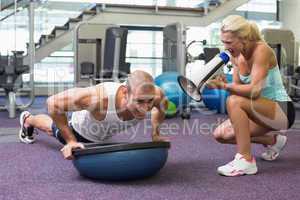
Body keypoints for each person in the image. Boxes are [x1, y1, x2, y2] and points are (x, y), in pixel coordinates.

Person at [207, 15, 295, 176]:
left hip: (281, 110)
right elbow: (238, 88)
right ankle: (273, 141)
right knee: (220, 135)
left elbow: (254, 91)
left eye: (228, 42)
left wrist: (225, 86)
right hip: (258, 111)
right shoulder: (235, 56)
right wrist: (223, 83)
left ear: (243, 39)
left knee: (233, 101)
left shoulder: (262, 50)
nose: (225, 46)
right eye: (223, 41)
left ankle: (246, 161)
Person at [19, 70, 169, 160]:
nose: (146, 107)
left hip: (103, 132)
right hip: (80, 131)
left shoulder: (156, 95)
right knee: (51, 129)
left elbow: (159, 109)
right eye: (140, 101)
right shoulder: (99, 98)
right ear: (124, 92)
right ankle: (28, 120)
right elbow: (53, 103)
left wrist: (155, 134)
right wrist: (70, 141)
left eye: (149, 101)